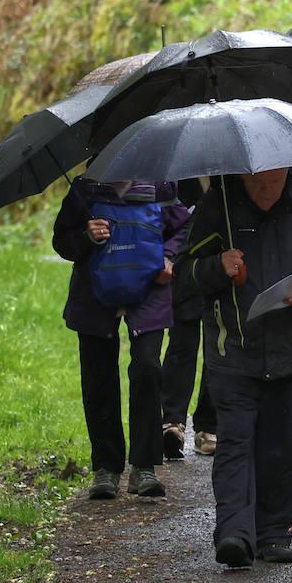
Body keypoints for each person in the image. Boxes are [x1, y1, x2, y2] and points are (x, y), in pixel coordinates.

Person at [177, 169, 292, 568]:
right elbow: (185, 274)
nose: (264, 189)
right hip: (233, 351)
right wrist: (217, 267)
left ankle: (273, 533)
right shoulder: (218, 204)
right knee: (236, 443)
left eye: (272, 182)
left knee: (285, 448)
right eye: (256, 182)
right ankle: (235, 533)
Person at [53, 178, 189, 500]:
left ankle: (144, 467)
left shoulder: (161, 185)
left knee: (146, 368)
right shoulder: (85, 187)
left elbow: (184, 228)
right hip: (94, 293)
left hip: (150, 290)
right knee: (98, 376)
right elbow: (62, 241)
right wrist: (86, 236)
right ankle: (106, 468)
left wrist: (168, 257)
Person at [160, 177, 217, 461]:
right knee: (182, 342)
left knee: (216, 345)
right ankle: (172, 422)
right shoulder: (177, 171)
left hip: (220, 268)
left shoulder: (232, 173)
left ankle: (207, 425)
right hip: (183, 268)